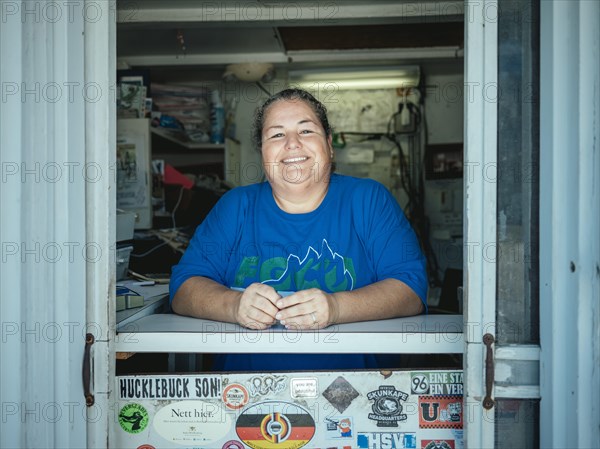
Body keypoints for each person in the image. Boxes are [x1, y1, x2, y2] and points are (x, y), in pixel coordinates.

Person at [169, 88, 427, 371]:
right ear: (262, 151)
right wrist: (233, 305)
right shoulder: (236, 206)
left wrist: (337, 307)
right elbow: (183, 289)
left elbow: (410, 290)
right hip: (242, 395)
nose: (292, 143)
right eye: (277, 134)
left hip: (358, 396)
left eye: (306, 131)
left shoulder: (368, 200)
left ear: (329, 145)